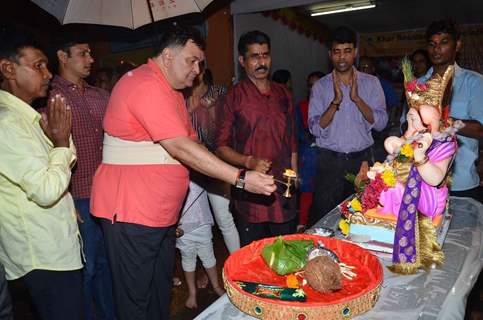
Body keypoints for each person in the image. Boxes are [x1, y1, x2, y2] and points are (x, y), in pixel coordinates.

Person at [90, 25, 275, 320]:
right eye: (191, 60)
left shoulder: (172, 92)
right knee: (136, 301)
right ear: (167, 56)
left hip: (159, 215)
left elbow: (192, 142)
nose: (197, 69)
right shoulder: (145, 85)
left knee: (158, 293)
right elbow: (180, 147)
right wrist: (239, 178)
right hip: (130, 213)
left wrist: (237, 163)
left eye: (200, 62)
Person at [0, 28, 83, 320]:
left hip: (56, 248)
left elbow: (61, 166)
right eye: (38, 66)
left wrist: (59, 141)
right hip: (43, 257)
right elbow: (47, 190)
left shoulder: (28, 116)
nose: (48, 74)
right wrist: (60, 142)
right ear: (8, 69)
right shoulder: (7, 123)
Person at [50, 38, 114, 320]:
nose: (90, 59)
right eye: (82, 53)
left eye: (91, 53)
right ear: (63, 56)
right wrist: (64, 198)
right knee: (85, 268)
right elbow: (48, 152)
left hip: (108, 193)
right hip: (77, 195)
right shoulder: (50, 97)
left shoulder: (100, 95)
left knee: (107, 264)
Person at [216, 30, 298, 246]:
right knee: (254, 257)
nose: (262, 62)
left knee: (286, 252)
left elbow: (291, 140)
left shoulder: (284, 93)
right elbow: (220, 147)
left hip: (282, 189)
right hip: (249, 193)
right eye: (255, 56)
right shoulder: (233, 97)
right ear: (242, 61)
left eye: (265, 55)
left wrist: (294, 172)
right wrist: (248, 162)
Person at [308, 26, 387, 225]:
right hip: (329, 164)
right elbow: (314, 128)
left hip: (361, 163)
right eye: (337, 52)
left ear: (355, 52)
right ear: (330, 55)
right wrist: (335, 102)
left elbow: (381, 123)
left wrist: (357, 100)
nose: (342, 57)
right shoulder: (320, 87)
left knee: (361, 219)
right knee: (325, 220)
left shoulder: (371, 83)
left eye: (347, 51)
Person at [420, 20, 483, 200]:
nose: (436, 49)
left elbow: (480, 129)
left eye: (444, 42)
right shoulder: (418, 85)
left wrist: (440, 120)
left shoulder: (474, 82)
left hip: (460, 182)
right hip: (423, 181)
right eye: (432, 44)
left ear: (458, 45)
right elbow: (404, 127)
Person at [187, 67, 240, 253]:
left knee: (224, 220)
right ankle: (203, 269)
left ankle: (239, 266)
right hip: (190, 169)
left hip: (217, 167)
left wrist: (211, 111)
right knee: (194, 225)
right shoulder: (180, 97)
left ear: (201, 71)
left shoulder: (220, 93)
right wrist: (189, 112)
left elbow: (230, 128)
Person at [176, 178, 225, 309]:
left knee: (208, 256)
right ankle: (192, 292)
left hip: (202, 221)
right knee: (188, 258)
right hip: (181, 227)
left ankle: (216, 286)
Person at [295, 71, 324, 231]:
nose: (314, 88)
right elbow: (295, 131)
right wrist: (308, 138)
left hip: (328, 154)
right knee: (307, 190)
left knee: (324, 191)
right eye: (310, 85)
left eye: (317, 84)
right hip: (308, 155)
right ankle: (302, 223)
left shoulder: (332, 106)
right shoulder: (301, 107)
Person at [359, 56, 399, 161]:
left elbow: (394, 104)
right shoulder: (355, 84)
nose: (364, 70)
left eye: (367, 67)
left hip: (378, 129)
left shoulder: (382, 84)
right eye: (361, 68)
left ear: (373, 69)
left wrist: (391, 122)